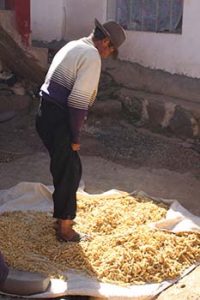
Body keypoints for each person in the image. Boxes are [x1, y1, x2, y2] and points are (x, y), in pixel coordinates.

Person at [35, 18, 126, 242]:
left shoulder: (73, 45)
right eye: (111, 49)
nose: (108, 54)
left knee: (64, 166)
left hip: (44, 113)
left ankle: (61, 217)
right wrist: (75, 137)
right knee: (70, 170)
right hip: (59, 118)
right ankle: (65, 229)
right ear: (105, 41)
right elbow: (77, 102)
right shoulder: (91, 55)